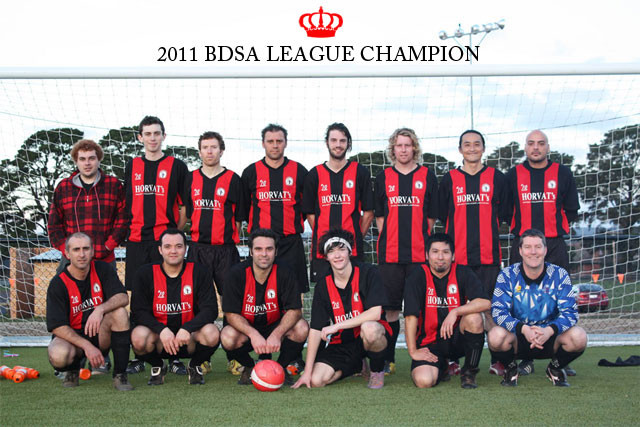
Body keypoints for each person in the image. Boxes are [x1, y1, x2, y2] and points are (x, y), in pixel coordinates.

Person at [48, 139, 127, 374]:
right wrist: (67, 249)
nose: (87, 163)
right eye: (82, 159)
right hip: (72, 258)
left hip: (103, 257)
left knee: (107, 306)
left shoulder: (113, 185)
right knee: (70, 307)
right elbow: (54, 224)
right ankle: (70, 357)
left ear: (98, 159)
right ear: (76, 161)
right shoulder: (63, 187)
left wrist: (106, 246)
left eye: (91, 158)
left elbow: (123, 220)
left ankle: (103, 356)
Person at [505, 129, 580, 376]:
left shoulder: (563, 173)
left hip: (554, 244)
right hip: (523, 246)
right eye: (531, 143)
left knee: (556, 301)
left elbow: (571, 210)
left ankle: (559, 358)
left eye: (540, 143)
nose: (535, 148)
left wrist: (550, 234)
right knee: (520, 301)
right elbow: (506, 213)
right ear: (524, 148)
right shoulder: (513, 175)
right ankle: (525, 356)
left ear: (548, 147)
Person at [438, 130, 508, 376]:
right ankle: (452, 359)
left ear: (483, 148)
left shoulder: (496, 178)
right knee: (456, 309)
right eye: (466, 145)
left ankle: (498, 359)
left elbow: (503, 217)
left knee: (491, 309)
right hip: (458, 261)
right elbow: (442, 217)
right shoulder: (449, 180)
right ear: (460, 150)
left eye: (476, 144)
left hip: (488, 258)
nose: (471, 148)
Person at [240, 124, 309, 373]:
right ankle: (261, 354)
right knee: (260, 297)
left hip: (290, 243)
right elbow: (243, 211)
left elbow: (307, 206)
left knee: (294, 301)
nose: (275, 145)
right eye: (270, 141)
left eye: (279, 141)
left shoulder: (299, 171)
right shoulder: (251, 172)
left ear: (286, 143)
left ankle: (293, 356)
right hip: (263, 246)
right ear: (263, 144)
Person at [124, 115, 189, 375]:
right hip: (138, 242)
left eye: (157, 133)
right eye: (147, 133)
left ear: (164, 136)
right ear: (140, 137)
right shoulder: (131, 166)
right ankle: (141, 354)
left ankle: (173, 355)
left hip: (164, 243)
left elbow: (184, 205)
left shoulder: (176, 165)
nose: (152, 138)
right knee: (139, 298)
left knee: (171, 296)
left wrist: (175, 234)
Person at [292, 228, 391, 390]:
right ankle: (356, 365)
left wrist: (337, 325)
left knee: (370, 328)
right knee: (317, 381)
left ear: (350, 251)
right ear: (326, 257)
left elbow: (375, 312)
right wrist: (307, 371)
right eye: (331, 251)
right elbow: (316, 329)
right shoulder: (323, 285)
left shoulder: (369, 273)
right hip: (344, 342)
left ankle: (377, 370)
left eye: (341, 249)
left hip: (371, 336)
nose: (337, 255)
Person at [374, 128, 438, 375]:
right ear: (393, 149)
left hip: (419, 256)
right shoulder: (383, 177)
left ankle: (422, 355)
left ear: (414, 148)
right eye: (399, 146)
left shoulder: (427, 176)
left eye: (407, 145)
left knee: (419, 308)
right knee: (390, 310)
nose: (403, 150)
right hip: (390, 256)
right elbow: (380, 218)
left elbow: (431, 219)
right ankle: (388, 359)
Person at [488, 228, 587, 387]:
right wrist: (524, 329)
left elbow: (571, 313)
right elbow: (498, 312)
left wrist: (549, 330)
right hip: (518, 337)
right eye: (527, 247)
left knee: (579, 336)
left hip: (549, 337)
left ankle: (554, 369)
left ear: (545, 250)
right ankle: (511, 369)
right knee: (495, 336)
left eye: (538, 247)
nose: (533, 252)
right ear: (520, 250)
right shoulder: (507, 275)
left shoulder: (559, 274)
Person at [130, 229, 220, 385]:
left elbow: (210, 309)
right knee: (138, 337)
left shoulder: (200, 272)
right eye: (168, 246)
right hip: (159, 339)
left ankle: (194, 365)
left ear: (185, 249)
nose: (173, 251)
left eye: (178, 246)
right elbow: (138, 311)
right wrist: (161, 330)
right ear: (160, 249)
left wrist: (187, 328)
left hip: (188, 339)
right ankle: (158, 365)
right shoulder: (145, 273)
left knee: (212, 333)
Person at [221, 228, 309, 386]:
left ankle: (279, 368)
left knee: (301, 327)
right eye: (258, 249)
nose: (264, 254)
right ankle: (250, 367)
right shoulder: (236, 274)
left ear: (276, 252)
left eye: (269, 249)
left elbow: (295, 310)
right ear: (250, 251)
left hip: (275, 326)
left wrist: (277, 334)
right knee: (227, 337)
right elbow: (230, 313)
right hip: (248, 328)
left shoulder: (286, 271)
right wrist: (253, 334)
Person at [46, 232, 132, 390]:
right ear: (67, 253)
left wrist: (100, 309)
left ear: (92, 251)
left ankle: (120, 375)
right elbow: (57, 326)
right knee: (58, 354)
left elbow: (122, 297)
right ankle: (72, 370)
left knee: (120, 313)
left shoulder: (102, 269)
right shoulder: (58, 283)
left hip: (100, 335)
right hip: (75, 341)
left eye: (86, 249)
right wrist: (87, 346)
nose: (82, 254)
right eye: (76, 249)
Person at [404, 233, 490, 389]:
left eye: (445, 252)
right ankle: (442, 366)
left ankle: (469, 372)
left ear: (453, 255)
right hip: (429, 343)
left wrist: (456, 311)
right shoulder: (417, 276)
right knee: (424, 381)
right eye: (435, 252)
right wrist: (413, 351)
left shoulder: (463, 273)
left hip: (457, 339)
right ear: (427, 255)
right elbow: (410, 316)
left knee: (474, 318)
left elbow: (485, 302)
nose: (440, 257)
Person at [303, 123, 374, 282]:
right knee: (324, 296)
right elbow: (310, 214)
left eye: (342, 141)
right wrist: (325, 238)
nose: (338, 145)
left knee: (353, 296)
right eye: (334, 140)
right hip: (322, 252)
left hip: (352, 250)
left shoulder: (360, 172)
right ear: (327, 142)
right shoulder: (314, 175)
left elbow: (369, 212)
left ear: (348, 143)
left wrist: (353, 238)